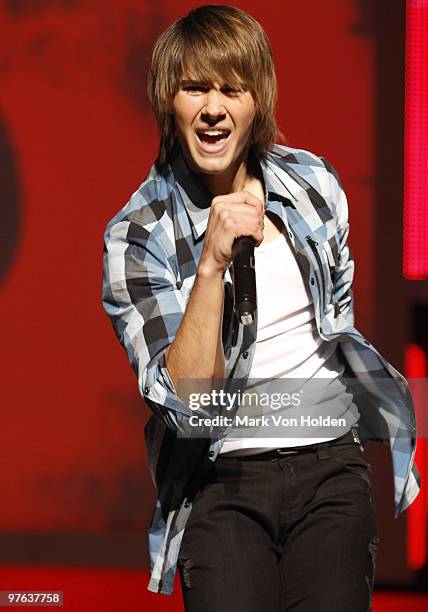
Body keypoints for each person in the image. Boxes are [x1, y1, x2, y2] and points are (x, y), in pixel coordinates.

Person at [102, 5, 421, 611]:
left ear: (259, 100)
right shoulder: (138, 234)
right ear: (169, 101)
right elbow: (189, 402)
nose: (214, 107)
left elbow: (339, 325)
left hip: (331, 468)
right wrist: (210, 265)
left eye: (232, 88)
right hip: (223, 482)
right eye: (195, 88)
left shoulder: (313, 183)